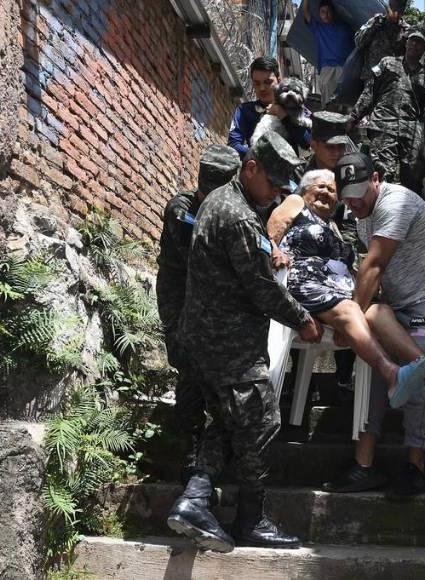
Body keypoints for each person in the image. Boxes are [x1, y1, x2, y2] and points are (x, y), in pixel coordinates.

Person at [167, 132, 322, 553]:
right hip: (228, 342)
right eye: (271, 182)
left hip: (203, 337)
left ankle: (195, 500)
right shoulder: (237, 215)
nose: (275, 193)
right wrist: (303, 318)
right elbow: (261, 289)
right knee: (261, 421)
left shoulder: (217, 203)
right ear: (249, 166)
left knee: (227, 422)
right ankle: (251, 519)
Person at [324, 152, 425, 497]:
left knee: (415, 374)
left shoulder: (397, 202)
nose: (354, 201)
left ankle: (416, 466)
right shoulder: (362, 215)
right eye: (347, 194)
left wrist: (347, 325)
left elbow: (372, 268)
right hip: (401, 305)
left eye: (360, 190)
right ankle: (364, 465)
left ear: (376, 178)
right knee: (379, 362)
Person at [268, 169, 425, 410]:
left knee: (378, 311)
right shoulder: (296, 202)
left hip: (341, 294)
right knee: (360, 310)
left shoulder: (332, 225)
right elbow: (268, 234)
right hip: (305, 284)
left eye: (332, 190)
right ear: (305, 189)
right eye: (320, 186)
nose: (327, 192)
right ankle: (392, 373)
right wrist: (274, 251)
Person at [156, 144, 241, 486]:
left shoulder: (229, 210)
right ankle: (190, 450)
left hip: (212, 306)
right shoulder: (183, 208)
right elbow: (201, 250)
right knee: (190, 372)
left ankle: (215, 450)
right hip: (181, 302)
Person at [296, 111, 359, 391]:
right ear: (313, 144)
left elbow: (354, 223)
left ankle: (344, 377)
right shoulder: (297, 174)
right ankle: (298, 384)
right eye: (329, 146)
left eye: (341, 146)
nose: (337, 152)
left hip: (341, 254)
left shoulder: (352, 174)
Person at [348, 26, 425, 194]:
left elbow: (423, 113)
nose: (415, 45)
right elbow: (370, 91)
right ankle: (384, 214)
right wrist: (354, 116)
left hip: (410, 131)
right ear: (406, 42)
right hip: (383, 125)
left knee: (414, 176)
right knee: (385, 174)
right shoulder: (386, 63)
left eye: (420, 43)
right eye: (412, 40)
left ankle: (413, 215)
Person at [228, 57, 311, 157]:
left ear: (279, 81)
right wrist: (260, 155)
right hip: (255, 168)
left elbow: (307, 143)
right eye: (257, 84)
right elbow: (233, 145)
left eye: (268, 82)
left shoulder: (299, 111)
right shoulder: (245, 111)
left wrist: (284, 116)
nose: (262, 88)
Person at [301, 0, 354, 107]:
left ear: (333, 13)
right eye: (323, 12)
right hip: (327, 69)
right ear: (319, 14)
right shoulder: (318, 29)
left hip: (343, 68)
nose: (326, 14)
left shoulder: (346, 28)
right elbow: (306, 11)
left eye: (328, 11)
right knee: (328, 105)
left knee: (343, 104)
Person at [354, 0, 410, 82]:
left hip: (392, 81)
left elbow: (408, 59)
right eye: (394, 11)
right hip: (370, 78)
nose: (397, 14)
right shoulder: (375, 22)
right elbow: (358, 43)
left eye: (400, 11)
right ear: (388, 8)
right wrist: (373, 27)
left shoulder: (406, 31)